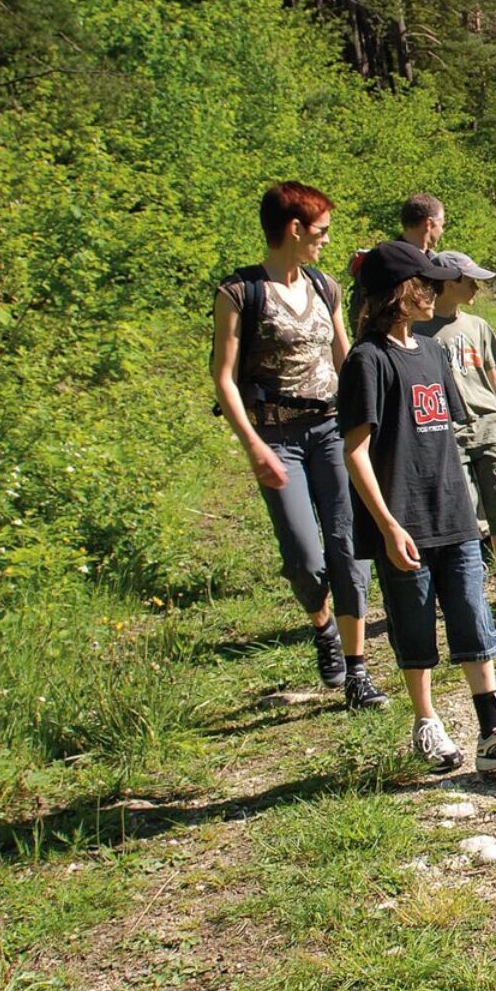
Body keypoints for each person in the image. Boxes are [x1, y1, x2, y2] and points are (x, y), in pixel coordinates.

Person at [338, 242, 496, 775]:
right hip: (403, 522)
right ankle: (427, 724)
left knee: (473, 617)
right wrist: (386, 526)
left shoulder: (430, 353)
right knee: (413, 624)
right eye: (424, 283)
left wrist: (469, 509)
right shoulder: (367, 360)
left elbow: (448, 435)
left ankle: (493, 729)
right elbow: (355, 451)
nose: (433, 292)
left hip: (453, 513)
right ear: (398, 292)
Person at [211, 183, 386, 707]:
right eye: (322, 231)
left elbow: (345, 359)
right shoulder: (239, 293)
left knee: (348, 546)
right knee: (305, 558)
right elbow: (222, 377)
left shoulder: (325, 287)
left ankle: (356, 672)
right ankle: (323, 623)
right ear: (295, 229)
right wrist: (253, 447)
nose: (326, 241)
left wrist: (371, 424)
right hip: (276, 437)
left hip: (331, 431)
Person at [414, 251, 496, 604]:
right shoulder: (418, 330)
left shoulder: (478, 326)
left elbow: (495, 377)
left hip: (488, 423)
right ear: (449, 282)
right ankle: (465, 580)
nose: (477, 290)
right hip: (445, 430)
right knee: (463, 507)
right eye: (470, 282)